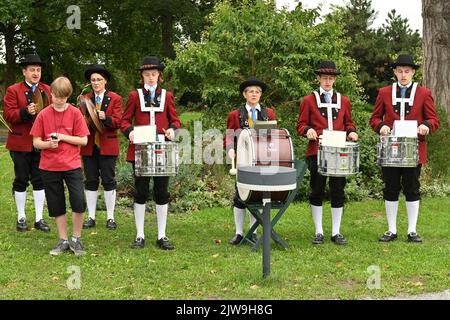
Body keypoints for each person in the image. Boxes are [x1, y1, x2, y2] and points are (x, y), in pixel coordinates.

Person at [369, 54, 440, 243]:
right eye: (399, 71)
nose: (403, 75)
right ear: (394, 72)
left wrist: (426, 125)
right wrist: (380, 126)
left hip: (414, 149)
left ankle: (412, 230)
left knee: (412, 188)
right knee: (390, 188)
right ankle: (391, 229)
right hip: (390, 149)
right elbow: (374, 118)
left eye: (407, 71)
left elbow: (434, 120)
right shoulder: (384, 92)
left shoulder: (424, 93)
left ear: (413, 72)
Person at [120, 56, 181, 250]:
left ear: (159, 76)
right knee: (141, 191)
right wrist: (130, 133)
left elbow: (176, 120)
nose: (151, 78)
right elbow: (124, 121)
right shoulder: (133, 96)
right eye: (147, 74)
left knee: (162, 191)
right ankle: (140, 235)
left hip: (161, 149)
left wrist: (173, 129)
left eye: (154, 74)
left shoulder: (167, 96)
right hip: (140, 149)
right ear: (142, 77)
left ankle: (162, 235)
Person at [296, 60, 358, 245]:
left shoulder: (344, 101)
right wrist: (307, 130)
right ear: (318, 79)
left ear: (335, 80)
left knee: (338, 190)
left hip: (339, 151)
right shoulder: (308, 100)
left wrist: (352, 131)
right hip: (317, 151)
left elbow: (349, 123)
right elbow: (301, 124)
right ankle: (319, 231)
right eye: (324, 78)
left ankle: (336, 232)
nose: (328, 82)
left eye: (331, 78)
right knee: (317, 190)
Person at [30, 76, 90, 256]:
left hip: (71, 165)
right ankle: (63, 240)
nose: (59, 100)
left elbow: (84, 140)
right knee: (56, 204)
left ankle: (76, 238)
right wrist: (47, 145)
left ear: (68, 96)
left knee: (78, 201)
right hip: (49, 166)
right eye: (56, 96)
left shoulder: (75, 113)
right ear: (51, 94)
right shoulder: (43, 114)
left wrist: (63, 137)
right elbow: (35, 142)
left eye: (63, 97)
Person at [3, 53, 51, 232]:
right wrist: (25, 112)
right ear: (24, 72)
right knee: (21, 179)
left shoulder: (47, 90)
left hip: (40, 142)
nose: (36, 73)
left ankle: (39, 219)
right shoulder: (13, 90)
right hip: (20, 142)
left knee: (39, 180)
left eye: (38, 70)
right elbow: (8, 115)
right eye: (32, 70)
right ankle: (21, 217)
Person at [226, 77, 276, 245]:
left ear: (260, 95)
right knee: (240, 196)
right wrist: (230, 150)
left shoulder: (269, 114)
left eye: (257, 92)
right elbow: (229, 136)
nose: (254, 94)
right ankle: (239, 233)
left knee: (259, 195)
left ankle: (253, 231)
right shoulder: (235, 115)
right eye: (251, 92)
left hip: (263, 160)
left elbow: (273, 137)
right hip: (243, 160)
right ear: (244, 94)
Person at [80, 65, 123, 230]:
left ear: (105, 82)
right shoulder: (85, 99)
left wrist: (106, 118)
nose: (96, 83)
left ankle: (110, 217)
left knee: (108, 180)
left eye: (99, 80)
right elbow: (79, 122)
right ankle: (91, 216)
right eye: (93, 80)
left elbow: (119, 122)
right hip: (90, 145)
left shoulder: (115, 99)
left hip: (108, 145)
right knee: (90, 180)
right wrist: (84, 121)